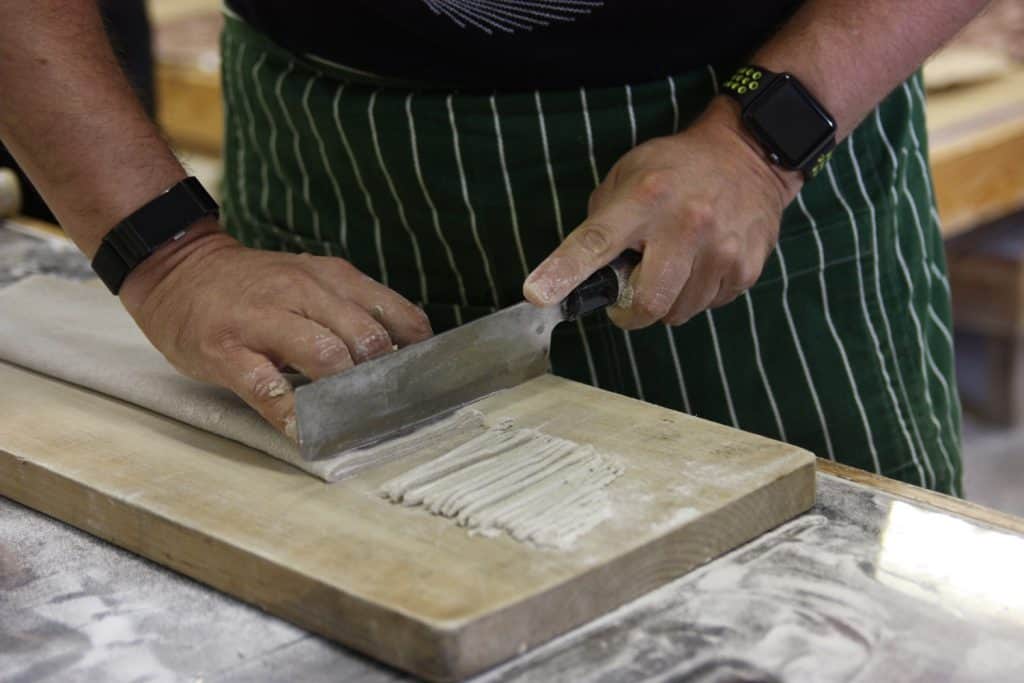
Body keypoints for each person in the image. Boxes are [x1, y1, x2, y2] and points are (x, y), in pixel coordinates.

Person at [0, 1, 988, 495]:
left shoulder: (765, 140)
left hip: (760, 133)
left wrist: (763, 143)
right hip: (333, 152)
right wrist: (165, 251)